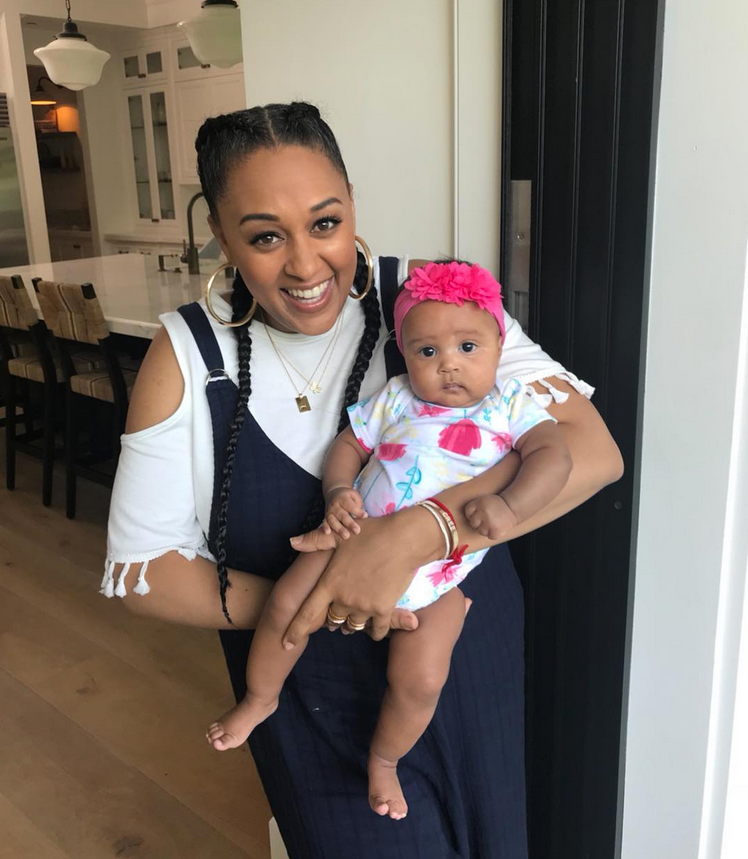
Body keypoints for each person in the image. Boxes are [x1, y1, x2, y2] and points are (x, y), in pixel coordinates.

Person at [104, 102, 623, 859]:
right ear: (220, 234)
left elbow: (592, 452)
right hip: (307, 689)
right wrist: (330, 598)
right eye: (265, 236)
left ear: (351, 203)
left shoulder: (434, 303)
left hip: (462, 656)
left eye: (325, 223)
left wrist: (416, 537)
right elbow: (142, 575)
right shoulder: (187, 352)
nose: (306, 265)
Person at [205, 259, 573, 824]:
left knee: (421, 679)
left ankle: (384, 760)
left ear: (499, 346)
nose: (448, 363)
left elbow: (555, 456)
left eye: (468, 347)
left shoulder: (511, 403)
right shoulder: (397, 396)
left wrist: (511, 505)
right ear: (405, 354)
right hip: (352, 542)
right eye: (427, 351)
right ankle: (260, 698)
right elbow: (349, 446)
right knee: (286, 603)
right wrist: (337, 491)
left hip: (442, 573)